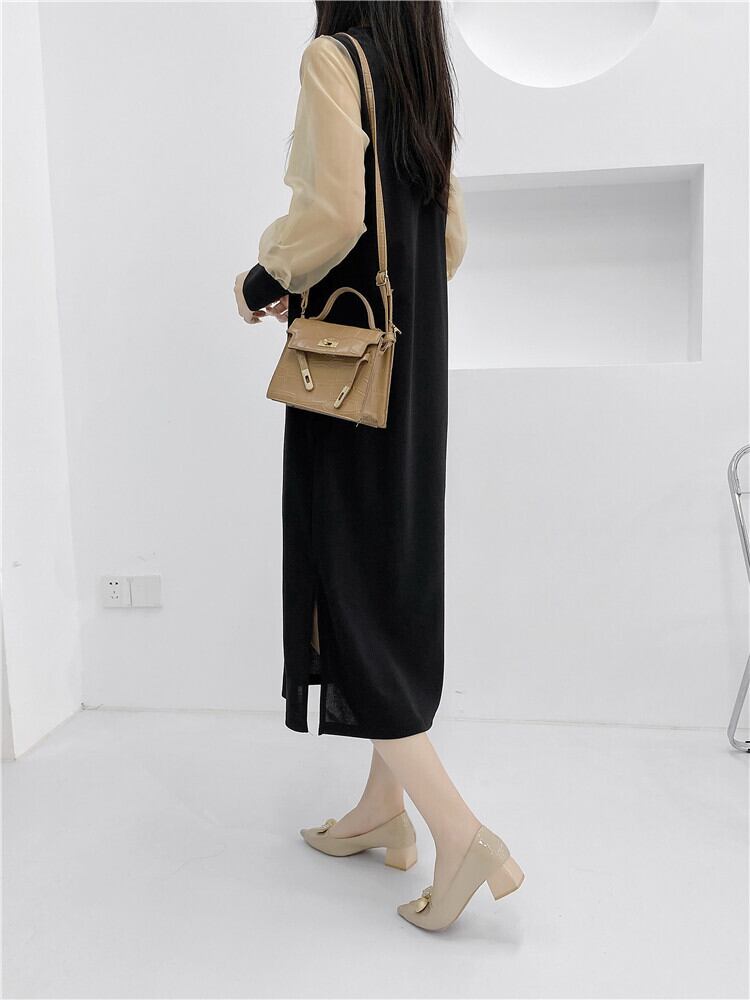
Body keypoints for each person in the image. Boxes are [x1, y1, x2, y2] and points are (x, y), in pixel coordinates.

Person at [234, 1, 523, 931]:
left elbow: (330, 215)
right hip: (417, 375)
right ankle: (380, 812)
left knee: (348, 589)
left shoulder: (333, 60)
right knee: (389, 580)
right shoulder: (421, 78)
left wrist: (264, 280)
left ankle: (461, 834)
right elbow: (449, 244)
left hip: (352, 387)